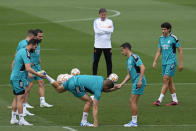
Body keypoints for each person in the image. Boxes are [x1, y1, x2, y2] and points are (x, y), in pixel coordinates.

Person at [45, 74, 119, 127]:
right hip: (75, 85)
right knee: (89, 101)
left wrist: (115, 88)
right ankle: (84, 122)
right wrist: (95, 122)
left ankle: (46, 75)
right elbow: (95, 107)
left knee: (58, 89)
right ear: (105, 87)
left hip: (73, 78)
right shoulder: (98, 90)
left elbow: (104, 89)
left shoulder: (101, 78)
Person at [10, 39, 45, 126]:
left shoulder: (21, 51)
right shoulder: (26, 52)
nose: (36, 48)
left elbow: (18, 63)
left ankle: (13, 118)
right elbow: (28, 68)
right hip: (19, 78)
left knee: (16, 98)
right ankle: (21, 119)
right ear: (32, 45)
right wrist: (38, 74)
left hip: (15, 77)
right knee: (20, 98)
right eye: (35, 46)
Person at [153, 22, 183, 106]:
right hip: (164, 63)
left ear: (169, 29)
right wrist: (155, 61)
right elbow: (159, 51)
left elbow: (180, 50)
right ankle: (175, 100)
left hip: (171, 62)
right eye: (162, 29)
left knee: (166, 79)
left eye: (164, 29)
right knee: (169, 81)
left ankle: (159, 100)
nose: (163, 31)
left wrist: (181, 63)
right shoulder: (161, 38)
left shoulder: (173, 38)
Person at [116, 42, 147, 127]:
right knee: (134, 101)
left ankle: (134, 122)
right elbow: (129, 75)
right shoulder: (128, 60)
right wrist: (121, 84)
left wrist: (140, 80)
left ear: (126, 49)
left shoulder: (134, 57)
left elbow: (143, 67)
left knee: (132, 101)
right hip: (135, 81)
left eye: (122, 50)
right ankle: (134, 121)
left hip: (138, 81)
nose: (122, 52)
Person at [93, 8, 114, 78]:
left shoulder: (110, 21)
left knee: (109, 62)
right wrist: (106, 29)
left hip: (107, 45)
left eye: (104, 14)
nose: (103, 16)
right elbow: (97, 31)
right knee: (96, 61)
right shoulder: (96, 21)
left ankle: (109, 76)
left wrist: (101, 29)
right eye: (102, 15)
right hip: (98, 45)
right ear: (99, 15)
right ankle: (94, 76)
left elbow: (111, 30)